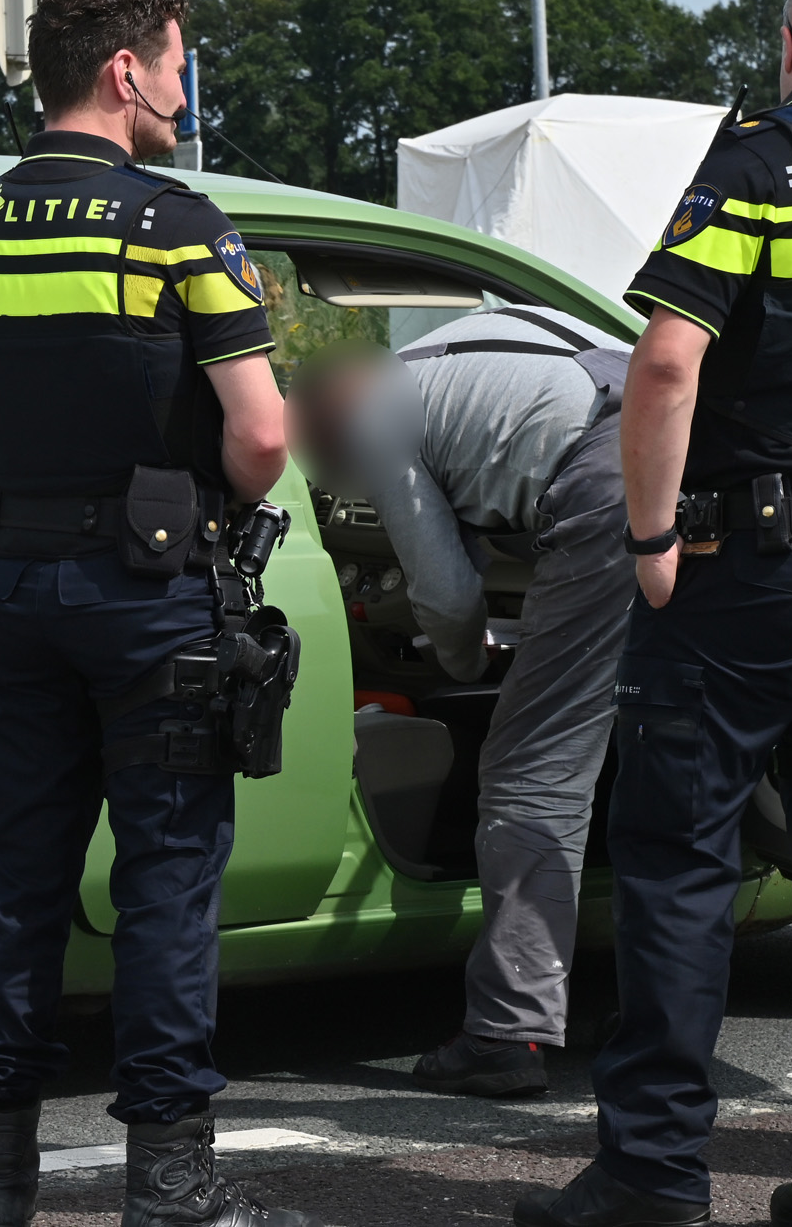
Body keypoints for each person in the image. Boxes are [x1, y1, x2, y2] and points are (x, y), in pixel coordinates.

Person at [0, 0, 315, 1227]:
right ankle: (172, 1185)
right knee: (166, 887)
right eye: (180, 66)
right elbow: (260, 437)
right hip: (152, 596)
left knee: (19, 885)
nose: (186, 92)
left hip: (11, 587)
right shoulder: (177, 222)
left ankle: (0, 1182)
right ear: (127, 70)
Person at [514, 0, 792, 1227]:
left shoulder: (761, 163)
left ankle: (652, 1173)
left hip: (748, 565)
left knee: (682, 862)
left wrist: (650, 534)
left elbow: (665, 360)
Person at [287, 307, 635, 1098]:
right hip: (690, 450)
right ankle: (656, 1012)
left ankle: (506, 1035)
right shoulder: (456, 346)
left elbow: (444, 592)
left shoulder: (376, 418)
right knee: (662, 747)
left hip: (606, 485)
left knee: (527, 769)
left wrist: (465, 664)